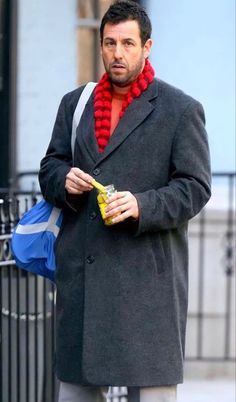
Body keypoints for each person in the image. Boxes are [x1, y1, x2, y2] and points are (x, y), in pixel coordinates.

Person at [39, 1, 211, 401]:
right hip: (83, 280)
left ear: (147, 47)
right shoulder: (75, 103)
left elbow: (196, 187)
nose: (118, 53)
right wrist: (64, 178)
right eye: (110, 43)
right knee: (74, 395)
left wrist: (142, 205)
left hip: (146, 289)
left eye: (128, 43)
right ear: (100, 45)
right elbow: (50, 165)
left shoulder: (180, 110)